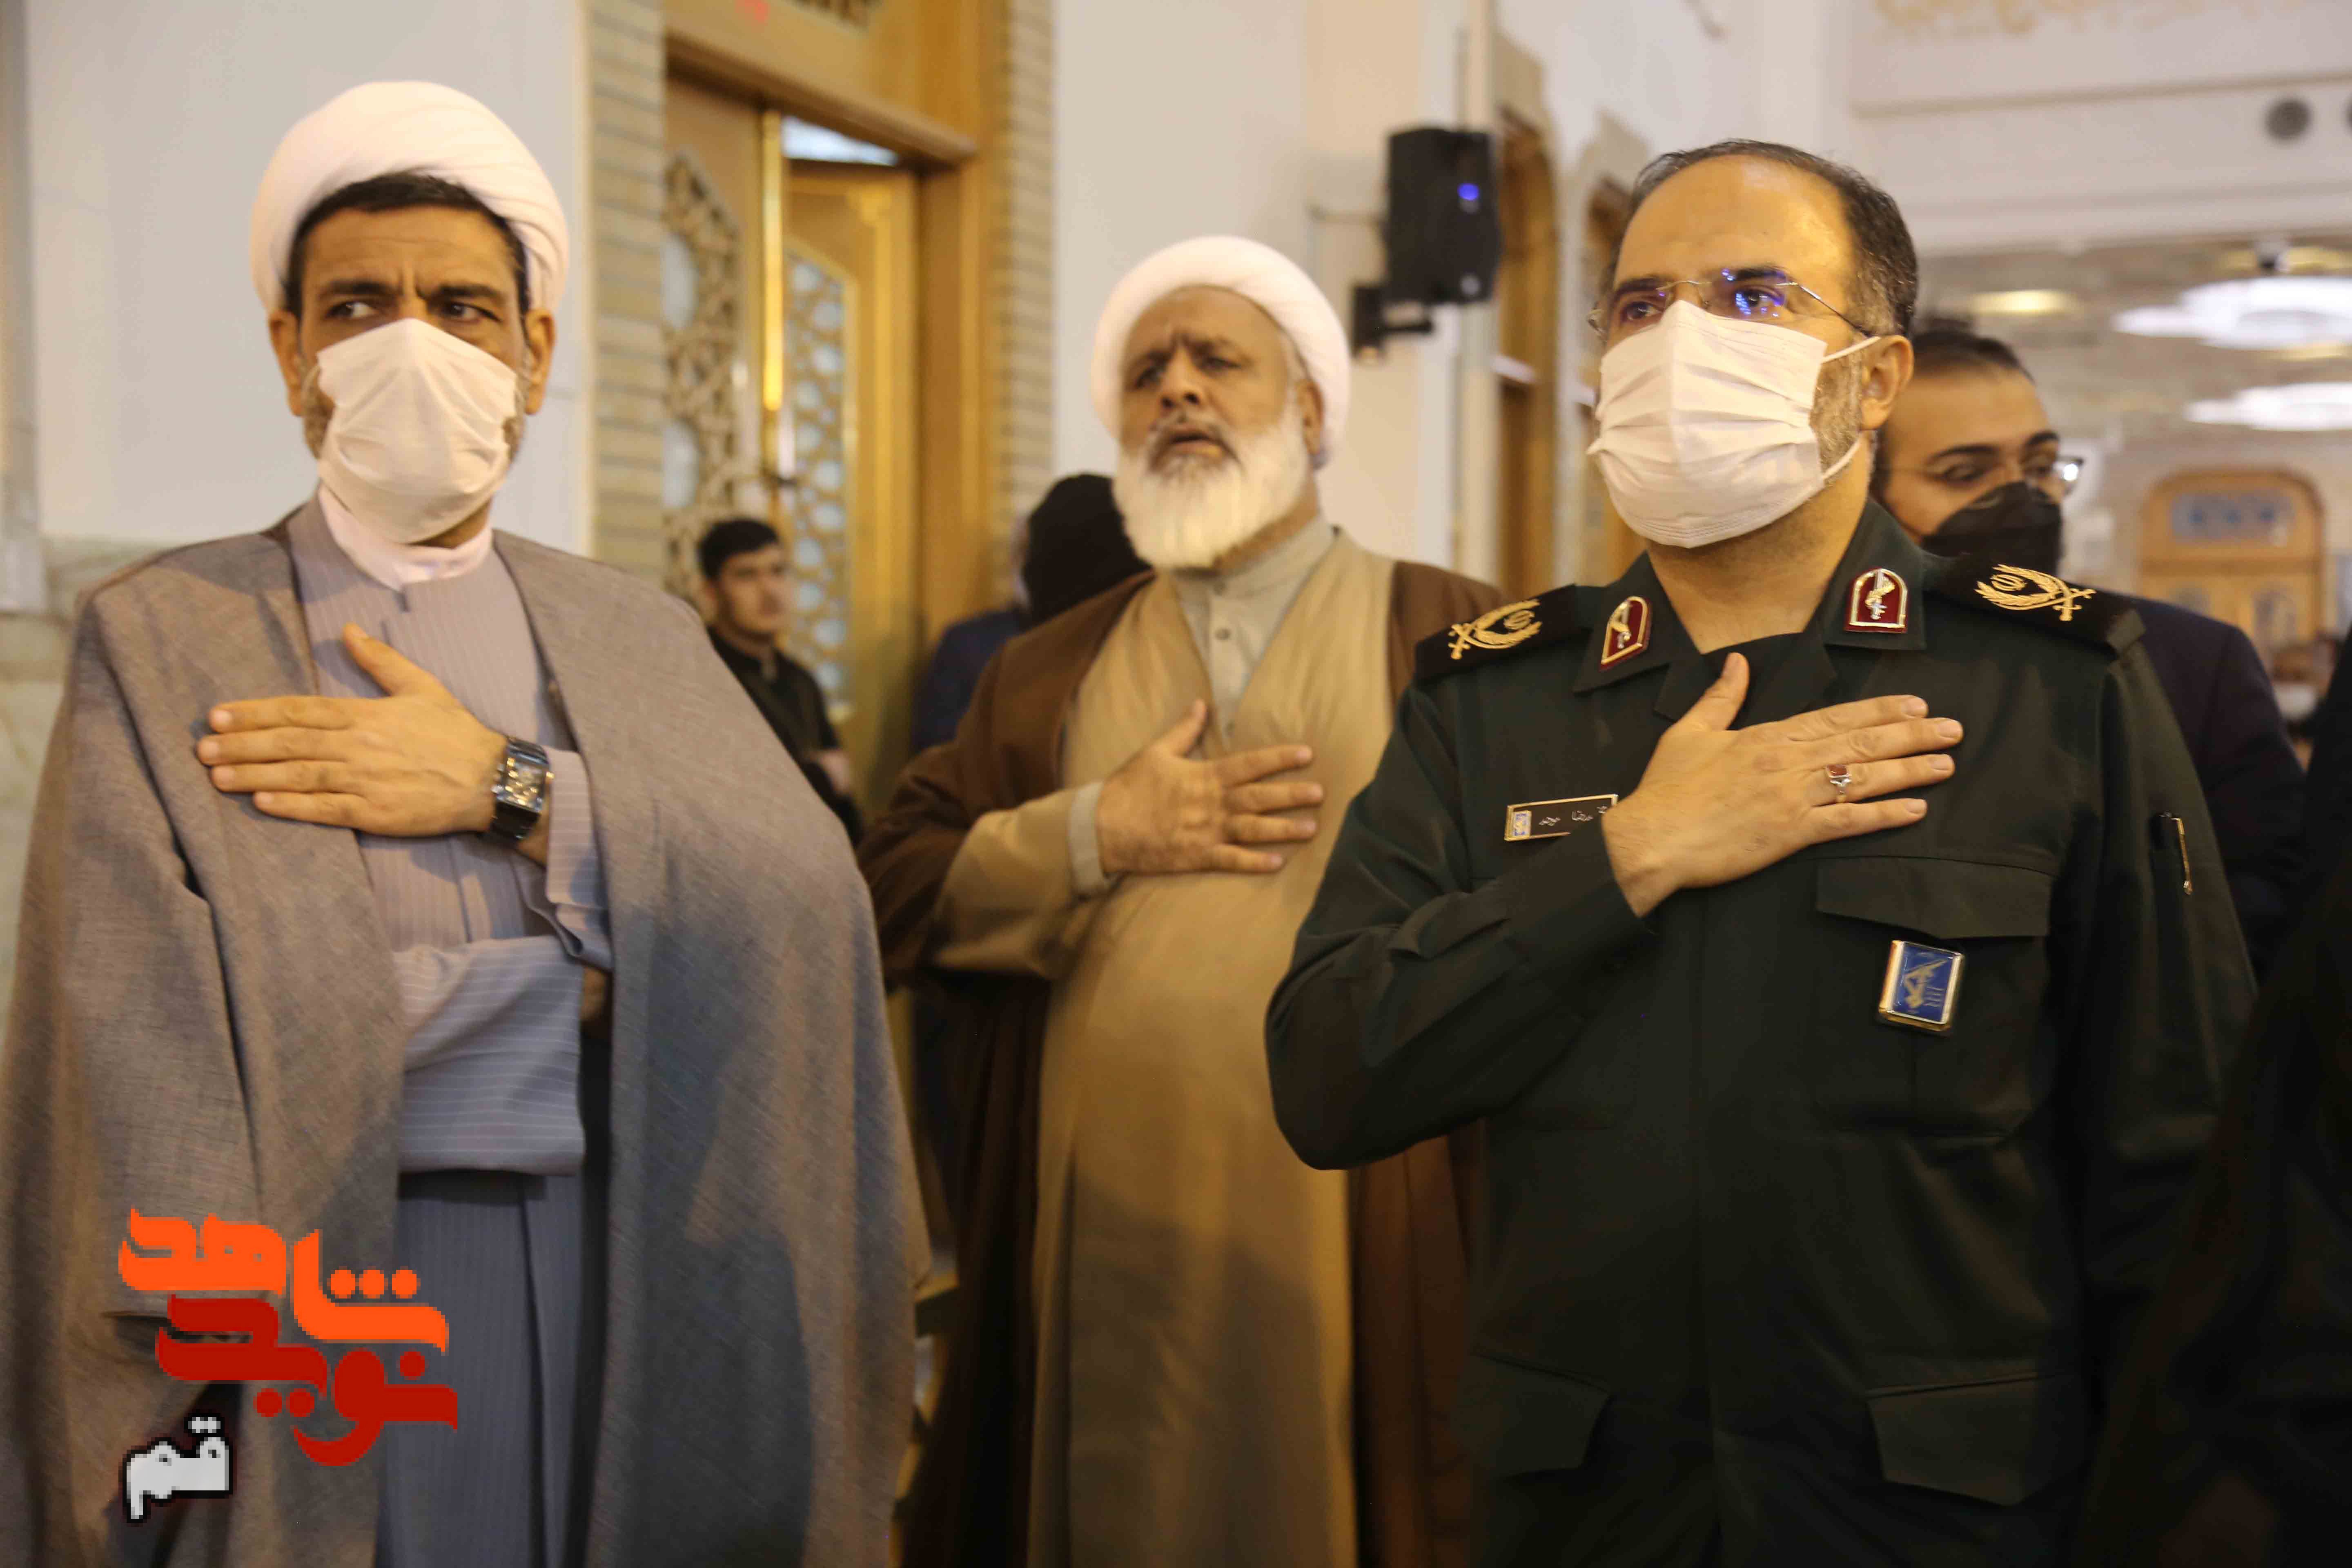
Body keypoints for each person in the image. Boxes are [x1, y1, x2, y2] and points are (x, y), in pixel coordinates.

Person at [1268, 140, 2252, 1566]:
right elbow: (1329, 1072)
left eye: (1751, 294)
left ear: (1875, 377)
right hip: (1588, 1502)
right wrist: (1625, 861)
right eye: (1640, 304)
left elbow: (2178, 1163)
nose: (1681, 340)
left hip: (1936, 1506)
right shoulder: (1492, 703)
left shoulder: (2051, 685)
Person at [0, 82, 913, 1567]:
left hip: (631, 1271)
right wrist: (589, 1005)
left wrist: (511, 782)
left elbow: (810, 912)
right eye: (357, 306)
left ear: (534, 354)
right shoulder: (165, 636)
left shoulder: (640, 636)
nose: (411, 342)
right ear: (291, 352)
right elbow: (140, 1054)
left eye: (463, 307)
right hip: (321, 1302)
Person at [860, 236, 1502, 1568]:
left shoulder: (1458, 635)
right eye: (1149, 372)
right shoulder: (1044, 672)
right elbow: (897, 884)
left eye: (1219, 361)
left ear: (1312, 409)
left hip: (1363, 1228)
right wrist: (1094, 832)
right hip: (1105, 1232)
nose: (1180, 391)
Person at [1875, 326, 2306, 969]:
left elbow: (2267, 906)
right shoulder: (1835, 663)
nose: (2024, 496)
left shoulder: (2188, 660)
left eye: (2041, 466)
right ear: (1866, 495)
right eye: (1966, 473)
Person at [910, 474, 1147, 756]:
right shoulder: (972, 644)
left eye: (1036, 551)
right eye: (1024, 550)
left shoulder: (1141, 652)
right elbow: (936, 751)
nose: (1027, 566)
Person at [698, 515, 863, 837]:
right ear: (712, 591)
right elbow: (723, 793)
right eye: (747, 575)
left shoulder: (800, 679)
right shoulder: (701, 673)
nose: (770, 590)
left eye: (778, 571)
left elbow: (842, 790)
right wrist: (819, 776)